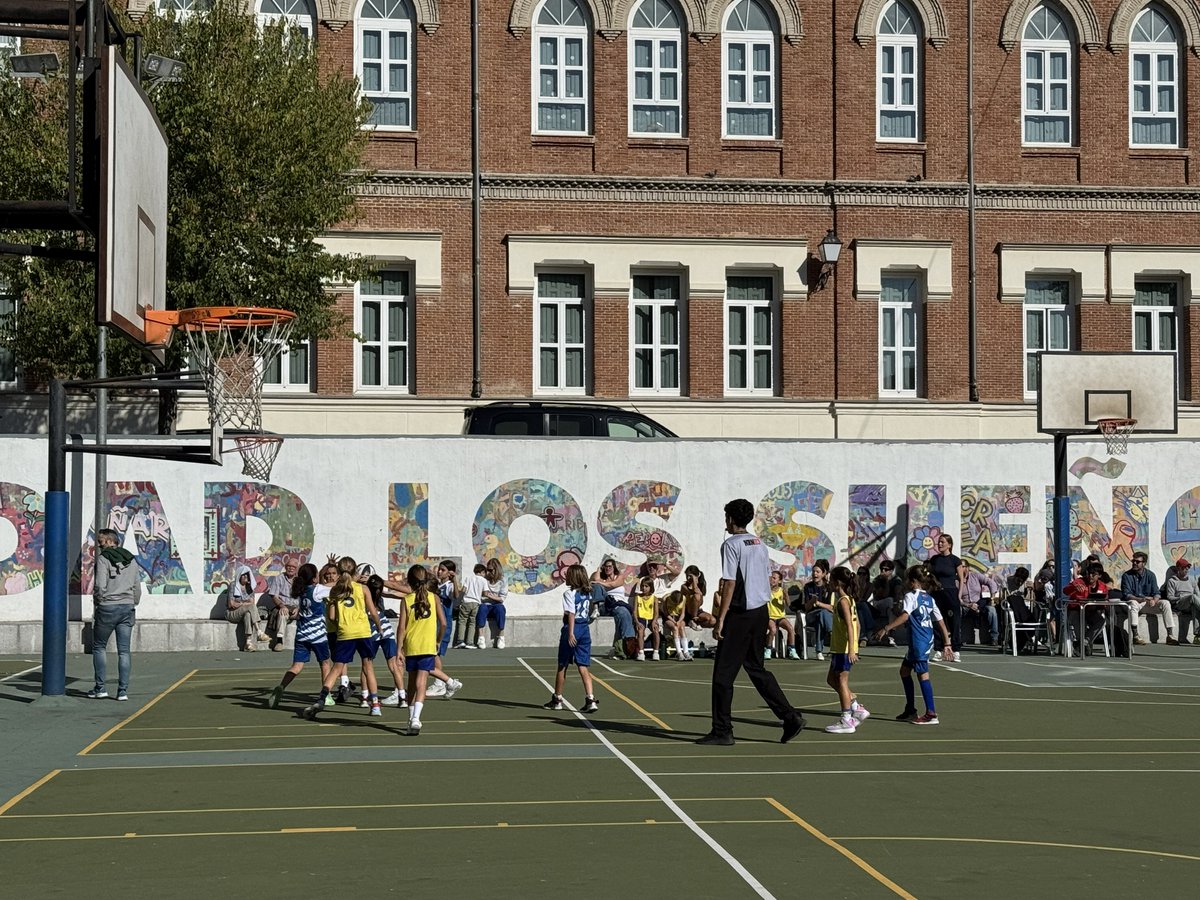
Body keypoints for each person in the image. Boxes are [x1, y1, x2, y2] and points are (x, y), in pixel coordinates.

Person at [697, 498, 805, 746]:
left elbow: (730, 583)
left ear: (731, 519)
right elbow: (761, 579)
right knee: (756, 669)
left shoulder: (731, 545)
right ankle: (790, 717)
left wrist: (720, 619)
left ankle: (722, 730)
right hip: (760, 612)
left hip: (741, 614)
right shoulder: (759, 544)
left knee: (723, 675)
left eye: (727, 517)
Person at [301, 556, 383, 719]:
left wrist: (342, 621)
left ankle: (323, 698)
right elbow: (373, 612)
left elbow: (331, 616)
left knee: (337, 667)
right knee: (368, 667)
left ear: (338, 572)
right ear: (355, 572)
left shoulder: (335, 591)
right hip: (363, 631)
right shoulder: (362, 588)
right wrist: (379, 628)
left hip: (345, 633)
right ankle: (375, 705)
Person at [874, 564, 952, 725]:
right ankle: (910, 709)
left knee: (923, 674)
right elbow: (941, 623)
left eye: (907, 579)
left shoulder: (911, 596)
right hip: (924, 639)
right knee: (904, 671)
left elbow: (905, 616)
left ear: (913, 581)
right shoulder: (929, 598)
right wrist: (947, 643)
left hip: (919, 641)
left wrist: (887, 628)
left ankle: (931, 713)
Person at [87, 528, 142, 701]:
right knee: (124, 651)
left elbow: (100, 585)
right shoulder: (131, 560)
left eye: (101, 541)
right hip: (127, 607)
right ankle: (122, 691)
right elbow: (137, 586)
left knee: (99, 647)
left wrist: (99, 601)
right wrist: (134, 601)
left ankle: (100, 688)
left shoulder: (103, 559)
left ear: (111, 541)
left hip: (108, 606)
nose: (99, 544)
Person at [268, 563, 331, 710]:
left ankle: (281, 687)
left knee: (296, 667)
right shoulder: (318, 591)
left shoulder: (300, 590)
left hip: (302, 634)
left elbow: (318, 580)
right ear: (315, 577)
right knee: (325, 663)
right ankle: (326, 694)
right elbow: (334, 586)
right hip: (318, 636)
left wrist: (324, 569)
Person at [396, 564, 447, 735]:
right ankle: (416, 718)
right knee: (422, 682)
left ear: (410, 581)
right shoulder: (434, 597)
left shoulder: (406, 600)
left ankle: (411, 719)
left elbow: (401, 628)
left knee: (411, 683)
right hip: (427, 645)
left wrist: (398, 649)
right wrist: (438, 641)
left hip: (411, 645)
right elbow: (444, 623)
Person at [542, 564, 599, 712]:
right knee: (583, 666)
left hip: (573, 629)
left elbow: (571, 613)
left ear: (573, 577)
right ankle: (590, 698)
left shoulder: (569, 594)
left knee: (563, 665)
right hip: (585, 629)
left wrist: (571, 633)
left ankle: (557, 699)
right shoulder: (588, 593)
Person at [823, 566, 870, 734]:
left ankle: (846, 719)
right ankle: (857, 708)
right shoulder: (848, 599)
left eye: (830, 581)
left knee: (842, 682)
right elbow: (857, 624)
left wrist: (852, 649)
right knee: (831, 679)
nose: (828, 583)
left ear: (836, 582)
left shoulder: (843, 601)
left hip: (844, 649)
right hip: (839, 648)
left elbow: (851, 626)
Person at [364, 572, 408, 708]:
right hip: (387, 632)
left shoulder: (364, 596)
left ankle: (365, 698)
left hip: (372, 632)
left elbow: (371, 614)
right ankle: (402, 697)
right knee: (394, 666)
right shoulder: (380, 596)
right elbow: (397, 593)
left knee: (367, 665)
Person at [1122, 551, 1177, 646]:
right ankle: (1135, 635)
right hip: (1137, 602)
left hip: (1148, 602)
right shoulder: (1127, 575)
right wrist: (1141, 599)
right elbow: (1127, 594)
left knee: (1165, 603)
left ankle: (1170, 635)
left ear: (1144, 563)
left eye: (1137, 562)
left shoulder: (1150, 575)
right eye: (1133, 561)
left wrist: (1154, 600)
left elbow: (1156, 592)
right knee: (1133, 603)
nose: (1134, 563)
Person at [929, 534, 966, 661]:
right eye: (939, 542)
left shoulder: (955, 560)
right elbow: (930, 577)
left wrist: (959, 595)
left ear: (949, 545)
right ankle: (938, 650)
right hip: (937, 593)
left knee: (954, 622)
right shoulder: (934, 559)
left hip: (951, 593)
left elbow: (961, 579)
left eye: (942, 542)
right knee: (938, 621)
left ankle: (956, 650)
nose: (939, 544)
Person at [591, 558, 635, 659]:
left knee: (623, 614)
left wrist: (600, 582)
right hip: (605, 606)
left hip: (618, 606)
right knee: (596, 586)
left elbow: (613, 584)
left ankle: (624, 647)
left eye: (610, 566)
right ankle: (596, 609)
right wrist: (598, 570)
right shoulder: (601, 578)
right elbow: (594, 582)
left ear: (614, 567)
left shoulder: (619, 577)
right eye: (605, 566)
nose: (607, 568)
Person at [226, 565, 267, 652]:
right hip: (232, 613)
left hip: (244, 612)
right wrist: (245, 603)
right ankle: (259, 632)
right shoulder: (233, 585)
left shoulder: (250, 587)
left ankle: (248, 643)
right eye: (243, 575)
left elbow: (252, 602)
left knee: (248, 614)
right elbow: (231, 604)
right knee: (250, 607)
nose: (245, 577)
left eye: (247, 575)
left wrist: (240, 603)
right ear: (239, 576)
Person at [801, 559, 835, 660]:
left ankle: (819, 651)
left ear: (824, 573)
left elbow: (832, 607)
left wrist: (818, 603)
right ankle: (832, 634)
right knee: (822, 614)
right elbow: (806, 608)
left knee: (821, 619)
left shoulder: (829, 588)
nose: (815, 574)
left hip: (824, 616)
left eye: (818, 572)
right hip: (810, 615)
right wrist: (812, 601)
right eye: (813, 572)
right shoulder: (808, 587)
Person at [264, 557, 300, 651]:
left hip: (297, 608)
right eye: (289, 566)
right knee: (282, 613)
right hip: (284, 606)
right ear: (285, 567)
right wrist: (282, 606)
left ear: (297, 569)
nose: (291, 568)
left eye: (293, 567)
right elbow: (274, 596)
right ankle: (279, 641)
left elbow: (304, 597)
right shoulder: (279, 578)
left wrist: (299, 608)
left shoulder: (300, 580)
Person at [960, 568, 1000, 646]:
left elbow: (991, 583)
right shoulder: (956, 580)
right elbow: (956, 598)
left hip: (979, 604)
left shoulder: (976, 576)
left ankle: (994, 637)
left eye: (963, 566)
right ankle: (957, 636)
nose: (961, 569)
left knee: (992, 610)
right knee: (957, 610)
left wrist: (992, 597)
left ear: (967, 568)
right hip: (965, 605)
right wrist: (968, 605)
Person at [1164, 558, 1200, 644]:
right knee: (1192, 597)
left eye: (1187, 568)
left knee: (1195, 607)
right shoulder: (1172, 581)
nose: (1186, 570)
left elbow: (1198, 594)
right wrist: (1180, 597)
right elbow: (1170, 597)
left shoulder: (1192, 580)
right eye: (1184, 568)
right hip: (1179, 604)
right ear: (1178, 569)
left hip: (1191, 604)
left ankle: (1197, 635)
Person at [475, 558, 508, 649]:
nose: (488, 572)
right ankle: (481, 637)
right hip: (485, 604)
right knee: (482, 608)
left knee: (500, 609)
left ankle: (501, 636)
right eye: (487, 570)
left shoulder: (503, 580)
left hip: (496, 604)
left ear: (496, 569)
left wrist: (489, 596)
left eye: (490, 570)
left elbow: (501, 598)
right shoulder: (484, 579)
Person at [765, 570, 799, 659]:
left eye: (774, 578)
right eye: (771, 577)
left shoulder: (781, 591)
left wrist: (786, 595)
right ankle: (768, 649)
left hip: (780, 617)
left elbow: (788, 604)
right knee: (772, 629)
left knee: (791, 629)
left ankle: (792, 649)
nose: (772, 580)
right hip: (770, 617)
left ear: (779, 581)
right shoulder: (766, 590)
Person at [455, 563, 487, 649]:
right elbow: (486, 593)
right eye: (484, 573)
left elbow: (463, 590)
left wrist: (458, 602)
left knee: (462, 621)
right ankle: (470, 642)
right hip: (476, 602)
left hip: (466, 601)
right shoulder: (483, 581)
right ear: (482, 572)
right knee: (472, 622)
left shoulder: (468, 578)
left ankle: (460, 641)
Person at [435, 560, 459, 657]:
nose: (439, 572)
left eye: (442, 570)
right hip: (433, 621)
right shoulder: (436, 585)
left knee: (438, 653)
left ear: (450, 573)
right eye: (439, 569)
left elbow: (456, 595)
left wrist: (454, 581)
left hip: (443, 621)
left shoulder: (449, 586)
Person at [633, 576, 660, 661]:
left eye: (646, 586)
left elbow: (656, 612)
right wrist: (637, 622)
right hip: (641, 618)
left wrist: (654, 621)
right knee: (640, 631)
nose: (644, 588)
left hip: (651, 618)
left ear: (651, 587)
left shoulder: (654, 598)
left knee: (656, 630)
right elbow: (634, 611)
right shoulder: (637, 597)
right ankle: (641, 653)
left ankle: (656, 652)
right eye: (643, 586)